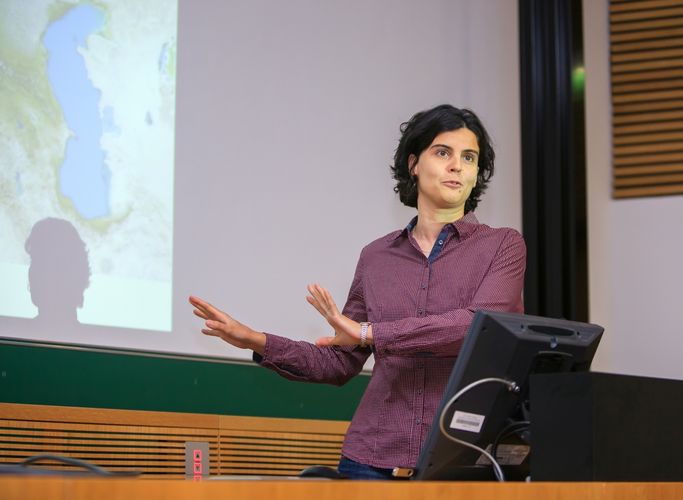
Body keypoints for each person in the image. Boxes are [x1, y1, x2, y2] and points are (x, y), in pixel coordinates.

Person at [189, 104, 526, 479]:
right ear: (414, 164)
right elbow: (339, 362)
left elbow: (473, 328)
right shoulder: (376, 257)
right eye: (442, 152)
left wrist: (372, 332)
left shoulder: (503, 246)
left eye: (469, 157)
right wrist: (254, 340)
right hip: (371, 460)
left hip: (461, 459)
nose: (457, 166)